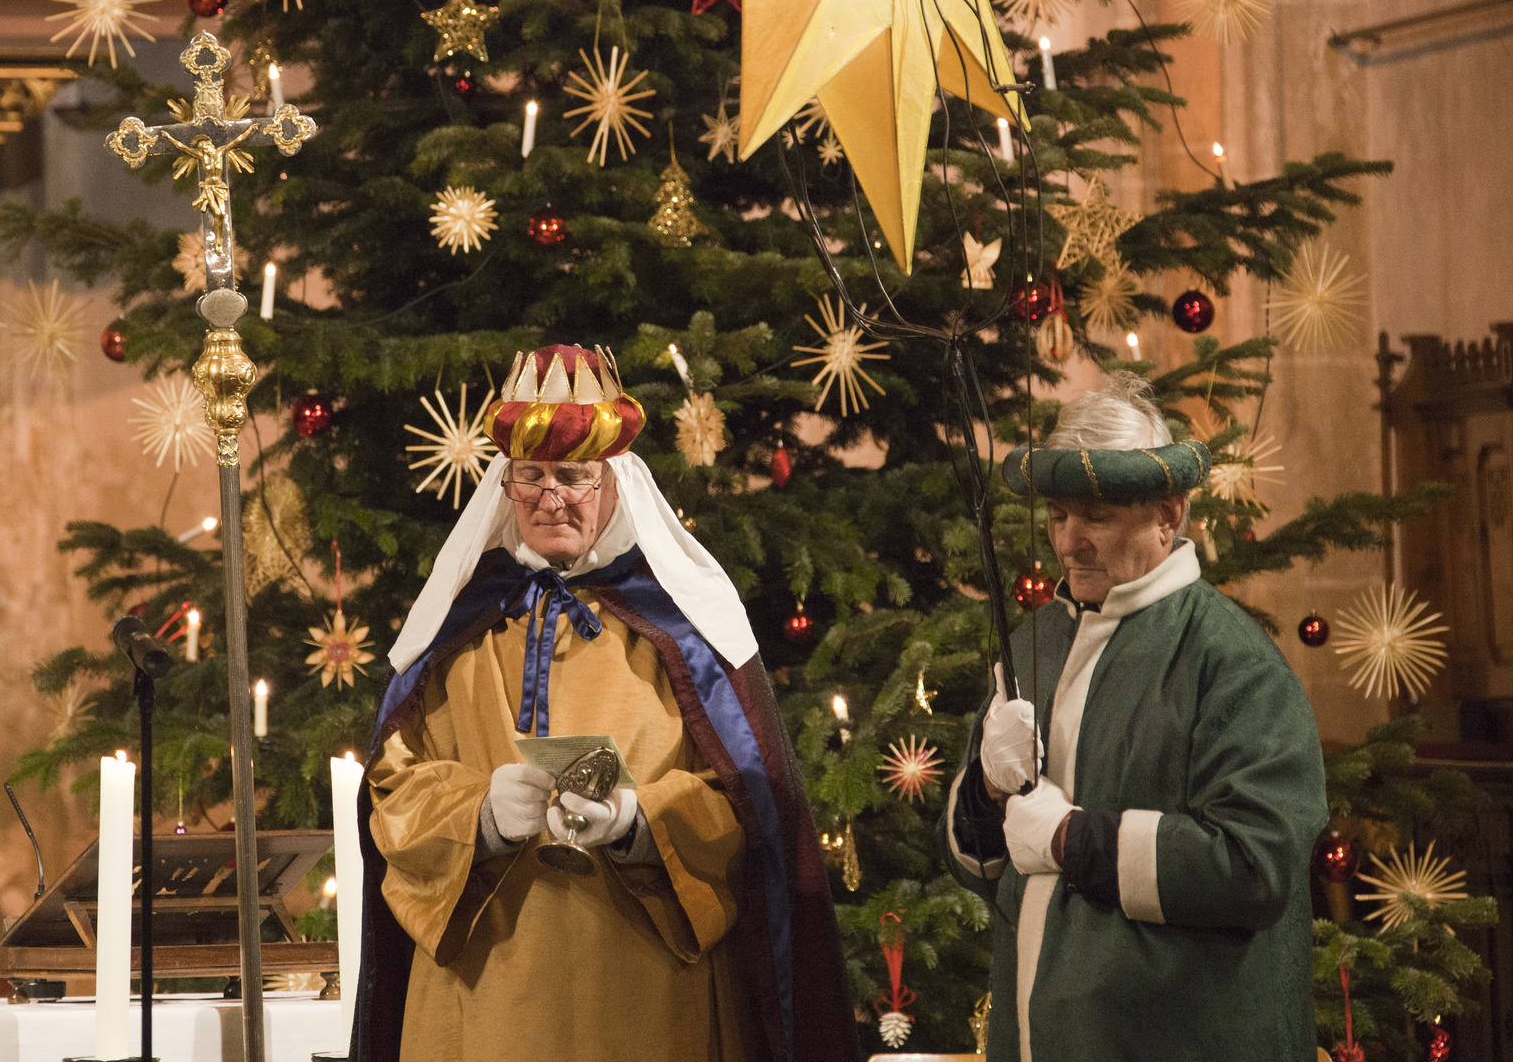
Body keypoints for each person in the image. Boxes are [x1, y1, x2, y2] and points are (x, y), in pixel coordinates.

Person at [353, 343, 854, 1062]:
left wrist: (638, 822)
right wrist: (479, 817)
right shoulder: (456, 626)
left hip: (646, 995)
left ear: (616, 482)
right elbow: (393, 791)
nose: (550, 497)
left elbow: (750, 805)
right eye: (530, 476)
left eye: (574, 476)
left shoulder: (688, 627)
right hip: (483, 996)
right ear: (504, 483)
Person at [945, 373, 1327, 1062]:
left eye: (1094, 516)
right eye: (1057, 515)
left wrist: (1071, 839)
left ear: (1167, 515)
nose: (1068, 543)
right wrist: (987, 789)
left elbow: (1257, 865)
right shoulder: (1036, 642)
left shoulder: (1232, 661)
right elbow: (980, 865)